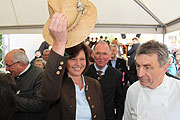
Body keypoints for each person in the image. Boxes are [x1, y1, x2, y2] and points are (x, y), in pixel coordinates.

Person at [41, 0, 105, 119]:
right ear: (65, 61)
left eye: (82, 59)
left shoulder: (94, 84)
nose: (78, 64)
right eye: (73, 59)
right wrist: (59, 43)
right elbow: (48, 94)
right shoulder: (58, 85)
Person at [123, 40, 180, 120]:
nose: (140, 74)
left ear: (164, 68)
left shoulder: (177, 90)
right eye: (138, 66)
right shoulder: (133, 90)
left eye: (147, 67)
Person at [85, 41, 125, 120]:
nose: (101, 57)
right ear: (92, 55)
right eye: (98, 53)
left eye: (105, 54)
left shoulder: (117, 75)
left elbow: (119, 102)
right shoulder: (85, 72)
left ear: (110, 56)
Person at [4, 49, 45, 120]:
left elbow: (39, 104)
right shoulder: (10, 76)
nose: (6, 69)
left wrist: (9, 98)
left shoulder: (40, 75)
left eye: (8, 65)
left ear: (20, 64)